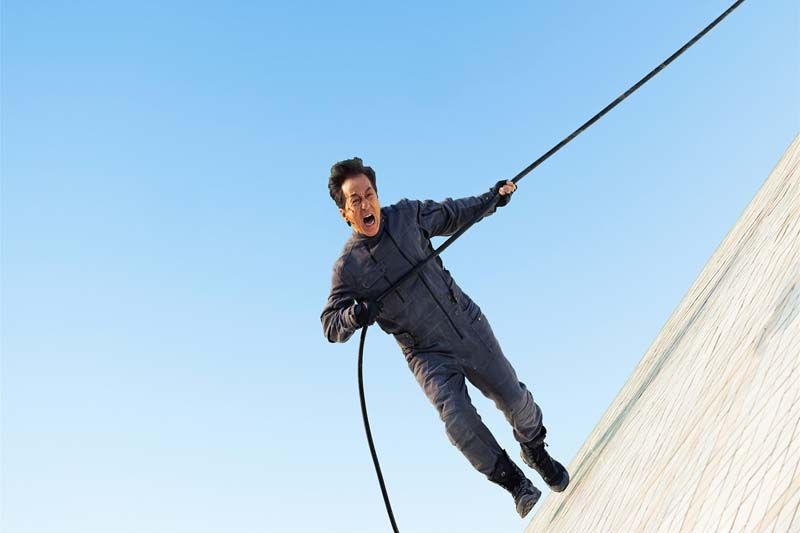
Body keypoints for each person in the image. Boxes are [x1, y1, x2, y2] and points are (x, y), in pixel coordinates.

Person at [320, 157, 569, 518]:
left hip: (464, 322)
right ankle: (515, 482)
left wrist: (492, 198)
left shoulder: (407, 216)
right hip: (426, 354)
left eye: (369, 194)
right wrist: (355, 315)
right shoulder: (348, 268)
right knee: (458, 422)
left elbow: (453, 213)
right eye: (355, 200)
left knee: (515, 400)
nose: (365, 204)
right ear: (345, 213)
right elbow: (330, 324)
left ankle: (535, 450)